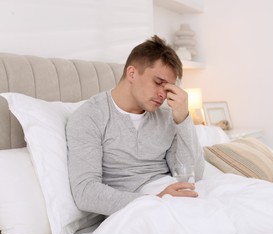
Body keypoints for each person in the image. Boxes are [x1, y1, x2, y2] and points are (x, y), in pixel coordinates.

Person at [66, 35, 205, 216]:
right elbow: (85, 192)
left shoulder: (166, 117)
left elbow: (192, 175)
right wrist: (155, 201)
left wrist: (183, 120)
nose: (163, 94)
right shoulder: (90, 117)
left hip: (176, 200)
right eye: (158, 83)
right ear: (132, 73)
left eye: (169, 87)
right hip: (138, 211)